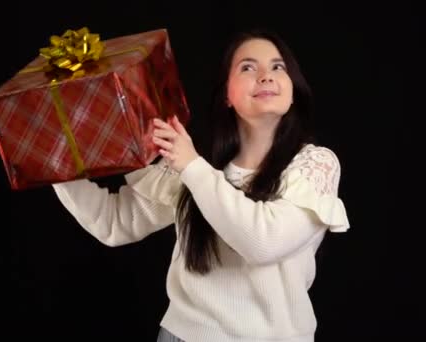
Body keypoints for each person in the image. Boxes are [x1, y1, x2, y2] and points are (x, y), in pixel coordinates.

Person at [52, 28, 350, 342]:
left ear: (292, 91)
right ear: (226, 95)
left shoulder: (315, 164)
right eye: (248, 67)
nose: (265, 76)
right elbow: (114, 223)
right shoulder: (197, 167)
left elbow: (264, 242)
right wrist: (57, 160)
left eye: (278, 67)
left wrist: (190, 166)